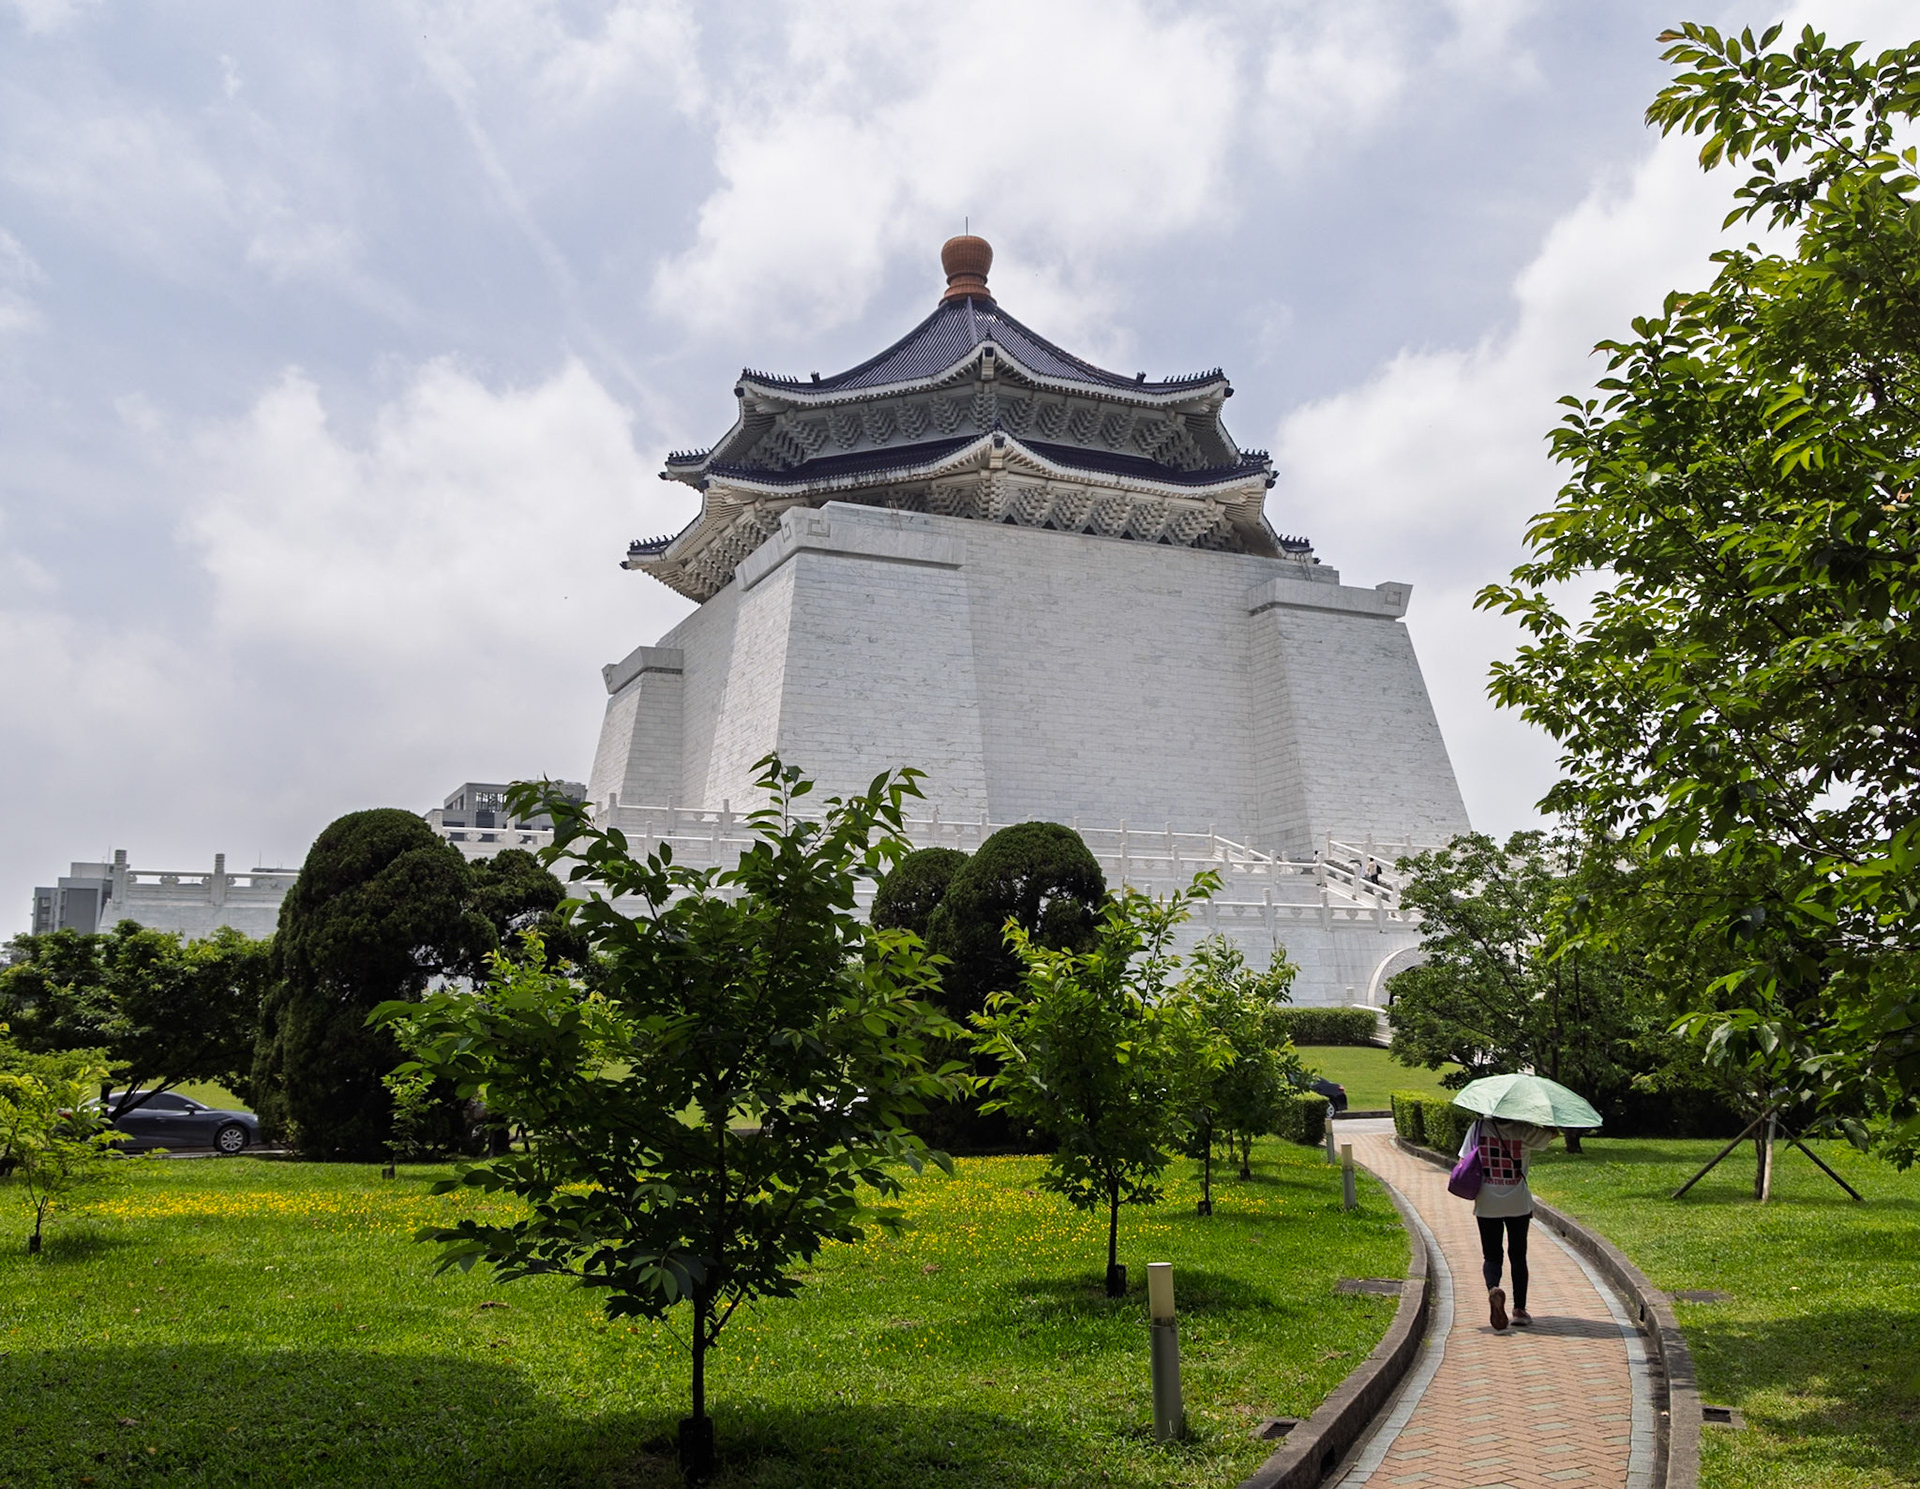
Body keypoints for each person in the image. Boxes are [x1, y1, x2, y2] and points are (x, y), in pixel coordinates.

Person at [1459, 1115, 1556, 1329]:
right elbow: (1551, 1135)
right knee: (1518, 1254)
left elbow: (1464, 1158)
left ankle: (1493, 1289)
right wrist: (1546, 1118)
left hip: (1487, 1201)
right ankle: (1519, 1310)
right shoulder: (1524, 1129)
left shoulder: (1479, 1127)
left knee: (1492, 1255)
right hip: (1518, 1202)